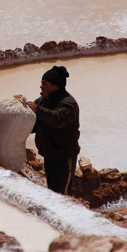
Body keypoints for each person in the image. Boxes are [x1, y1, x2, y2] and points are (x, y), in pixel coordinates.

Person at [26, 66, 80, 196]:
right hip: (50, 155)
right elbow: (34, 124)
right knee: (52, 192)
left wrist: (38, 110)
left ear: (55, 87)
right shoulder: (42, 101)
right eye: (41, 83)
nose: (41, 87)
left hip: (63, 157)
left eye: (44, 84)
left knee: (62, 195)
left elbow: (57, 120)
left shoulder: (68, 104)